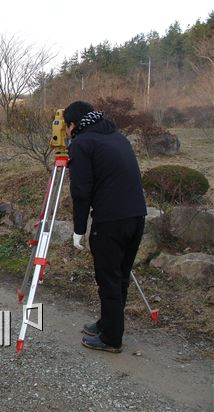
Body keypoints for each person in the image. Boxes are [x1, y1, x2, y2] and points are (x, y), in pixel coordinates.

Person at [64, 101, 146, 354]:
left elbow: (81, 192)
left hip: (111, 221)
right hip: (136, 216)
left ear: (72, 124)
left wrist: (79, 229)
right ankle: (108, 323)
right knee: (120, 276)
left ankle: (111, 338)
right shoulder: (116, 136)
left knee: (108, 279)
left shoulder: (82, 143)